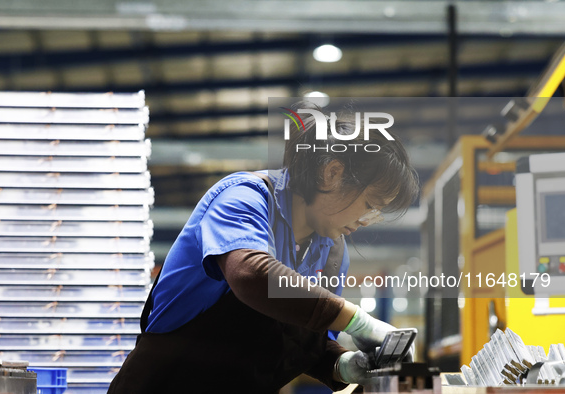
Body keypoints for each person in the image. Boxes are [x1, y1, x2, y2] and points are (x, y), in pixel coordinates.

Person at [108, 102, 419, 393]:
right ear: (332, 173)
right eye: (370, 205)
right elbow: (252, 275)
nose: (368, 221)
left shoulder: (333, 252)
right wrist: (357, 319)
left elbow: (307, 343)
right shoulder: (245, 198)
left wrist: (347, 366)